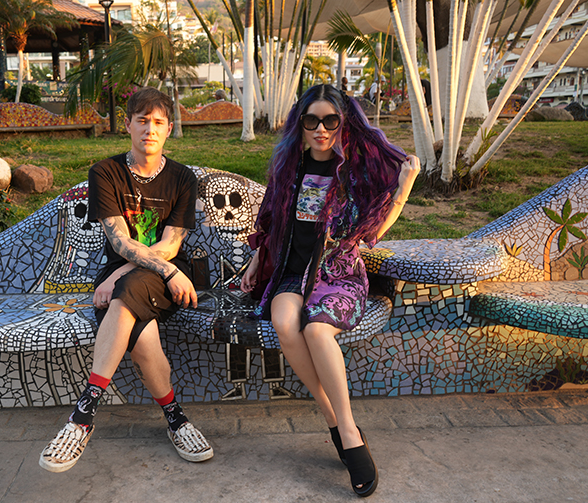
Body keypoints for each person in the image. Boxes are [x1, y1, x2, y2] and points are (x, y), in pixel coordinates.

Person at [241, 84, 419, 497]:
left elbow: (374, 229)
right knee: (285, 321)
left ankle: (349, 433)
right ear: (299, 126)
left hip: (336, 273)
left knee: (316, 330)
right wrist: (255, 261)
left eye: (330, 121)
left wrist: (405, 188)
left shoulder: (353, 174)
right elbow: (269, 220)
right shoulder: (289, 170)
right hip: (290, 272)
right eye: (311, 121)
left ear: (343, 124)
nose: (321, 129)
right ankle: (334, 420)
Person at [39, 87, 213, 473]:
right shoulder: (106, 172)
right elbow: (118, 239)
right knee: (141, 333)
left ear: (169, 129)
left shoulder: (183, 178)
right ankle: (176, 419)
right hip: (154, 275)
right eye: (142, 121)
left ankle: (82, 415)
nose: (150, 129)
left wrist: (128, 270)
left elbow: (170, 246)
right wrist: (136, 270)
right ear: (129, 126)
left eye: (158, 123)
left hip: (163, 278)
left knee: (126, 291)